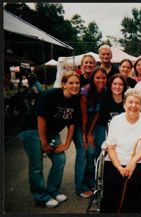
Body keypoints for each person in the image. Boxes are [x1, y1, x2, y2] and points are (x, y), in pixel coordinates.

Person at [19, 71, 81, 208]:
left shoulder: (76, 99)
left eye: (77, 83)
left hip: (51, 132)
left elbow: (72, 124)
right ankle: (41, 196)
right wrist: (44, 142)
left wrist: (66, 144)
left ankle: (53, 190)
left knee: (60, 159)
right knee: (37, 165)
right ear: (64, 84)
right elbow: (40, 117)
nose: (75, 85)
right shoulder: (51, 95)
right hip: (32, 130)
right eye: (71, 83)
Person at [100, 88, 141, 213]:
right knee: (113, 183)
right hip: (116, 161)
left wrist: (133, 161)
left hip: (139, 161)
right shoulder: (116, 120)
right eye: (130, 102)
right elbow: (111, 148)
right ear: (124, 104)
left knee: (134, 183)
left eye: (137, 103)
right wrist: (119, 167)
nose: (133, 106)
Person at [73, 67, 108, 198]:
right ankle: (80, 186)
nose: (101, 80)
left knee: (92, 152)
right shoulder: (85, 91)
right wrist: (84, 135)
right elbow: (84, 116)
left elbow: (97, 113)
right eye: (98, 77)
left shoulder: (104, 91)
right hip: (79, 125)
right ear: (93, 78)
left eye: (103, 78)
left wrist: (90, 133)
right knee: (83, 152)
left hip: (91, 124)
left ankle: (89, 180)